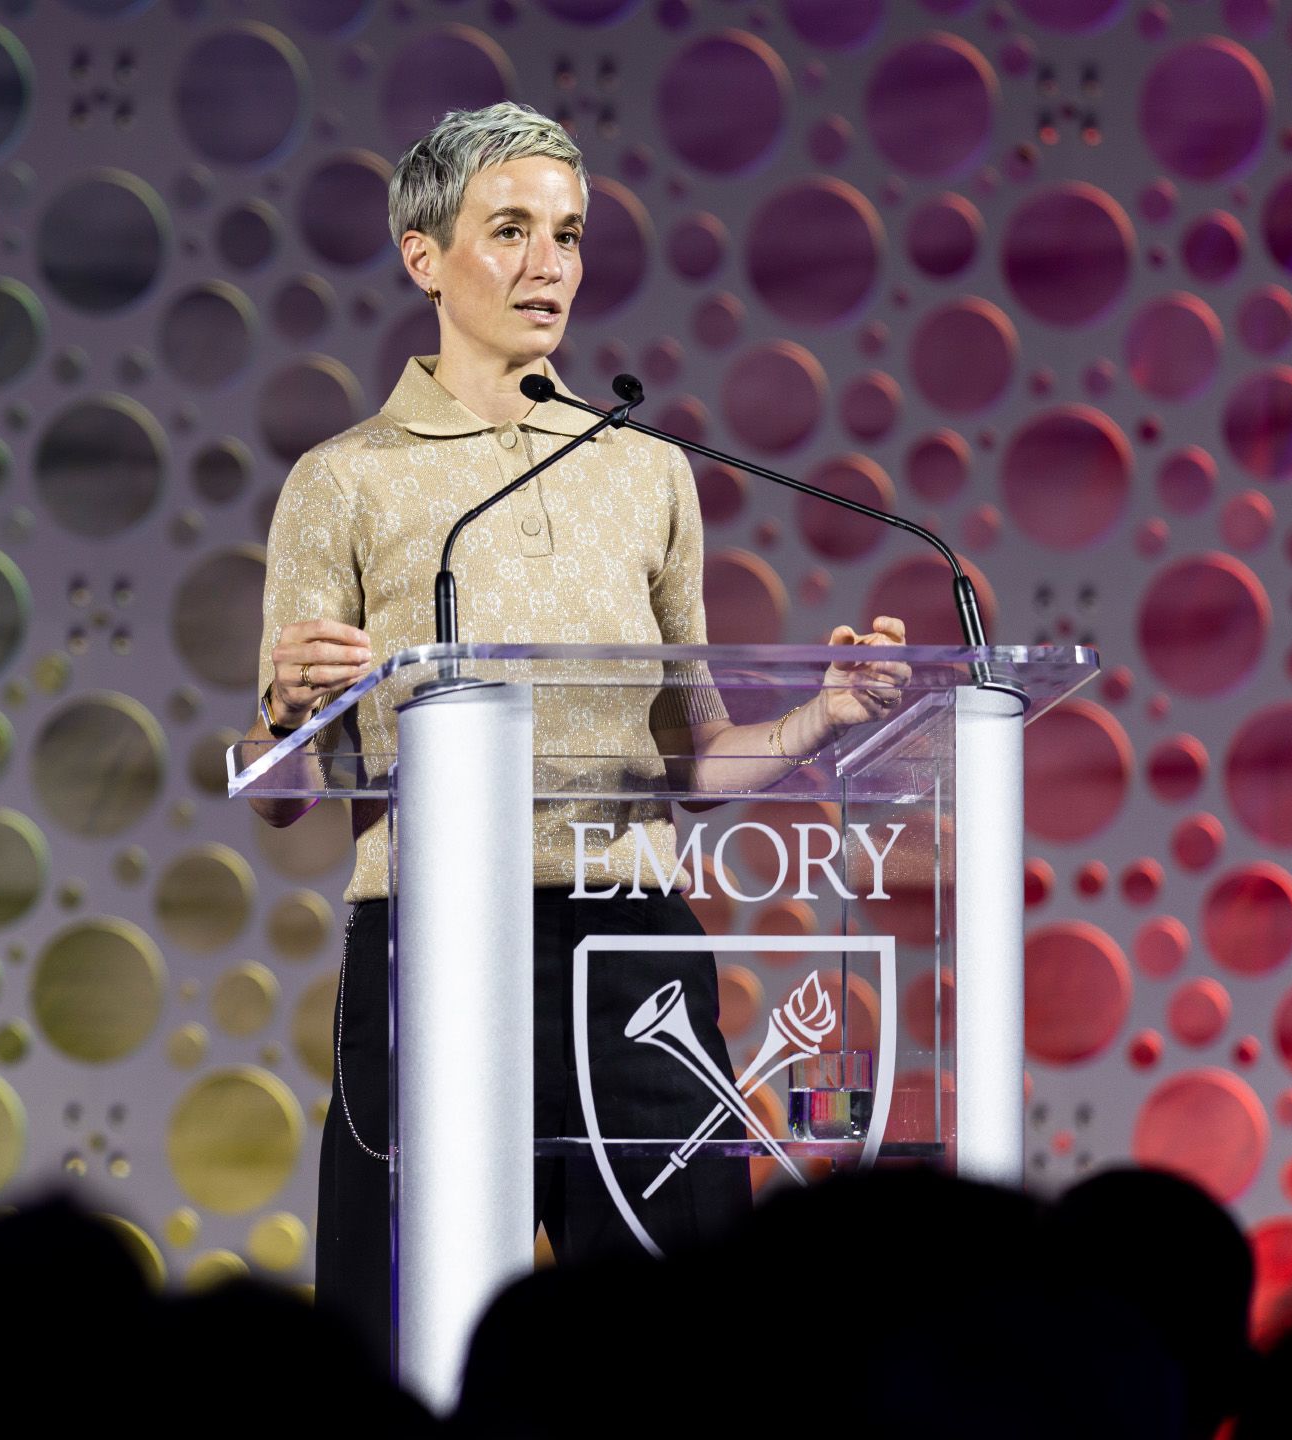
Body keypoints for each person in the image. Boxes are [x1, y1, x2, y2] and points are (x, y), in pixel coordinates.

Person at [245, 101, 910, 1360]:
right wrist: (290, 709)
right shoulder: (346, 479)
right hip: (431, 942)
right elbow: (286, 791)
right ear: (421, 253)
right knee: (406, 1331)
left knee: (683, 1335)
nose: (549, 264)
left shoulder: (640, 469)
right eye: (510, 230)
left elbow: (690, 760)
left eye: (568, 233)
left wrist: (822, 715)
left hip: (628, 944)